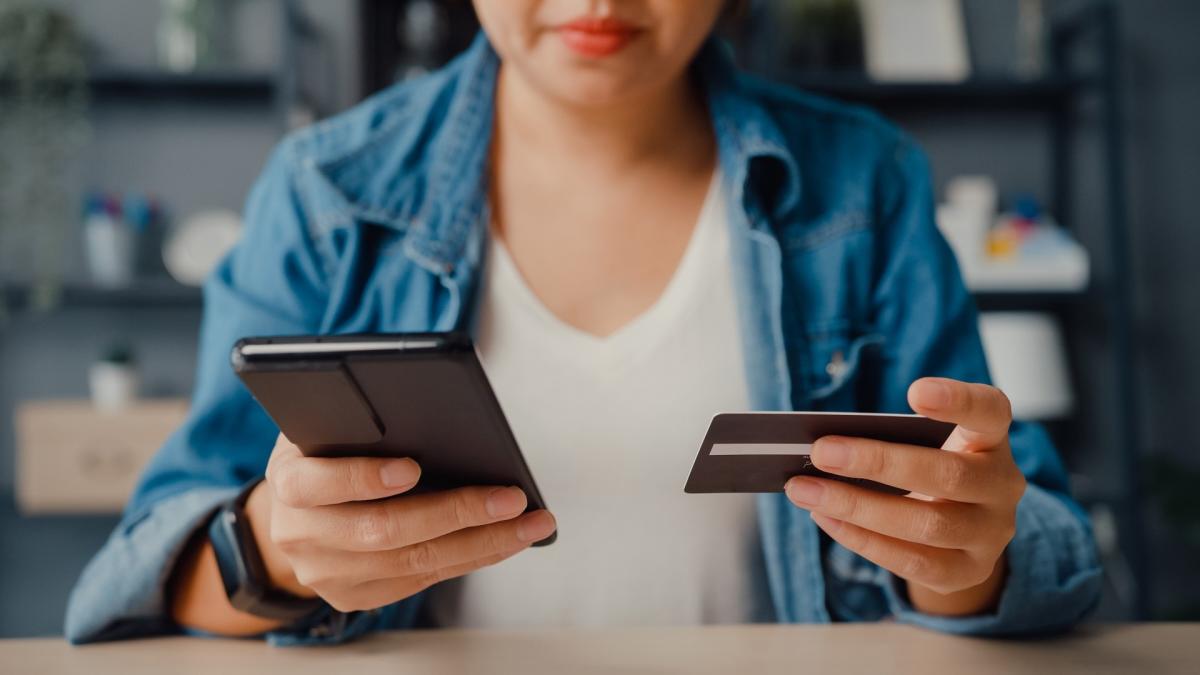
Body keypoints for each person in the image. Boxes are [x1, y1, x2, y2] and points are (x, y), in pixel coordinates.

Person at [65, 0, 1101, 644]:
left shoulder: (865, 183)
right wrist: (272, 554)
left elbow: (1046, 552)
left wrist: (972, 557)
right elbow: (146, 570)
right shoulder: (327, 191)